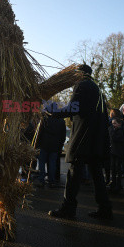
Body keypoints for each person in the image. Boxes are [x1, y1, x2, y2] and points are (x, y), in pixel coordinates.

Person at [48, 64, 112, 220]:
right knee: (97, 174)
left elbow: (73, 108)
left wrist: (53, 112)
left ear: (80, 74)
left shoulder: (82, 85)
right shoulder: (97, 88)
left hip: (84, 137)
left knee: (74, 172)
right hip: (96, 139)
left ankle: (68, 208)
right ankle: (105, 208)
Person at [34, 114, 66, 188]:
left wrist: (37, 144)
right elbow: (63, 135)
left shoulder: (45, 120)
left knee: (41, 162)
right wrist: (60, 145)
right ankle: (51, 180)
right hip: (55, 145)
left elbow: (39, 133)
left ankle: (41, 179)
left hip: (44, 144)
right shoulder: (61, 121)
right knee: (52, 163)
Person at [108, 117, 124, 193]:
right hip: (112, 151)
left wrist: (113, 132)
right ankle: (113, 182)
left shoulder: (121, 131)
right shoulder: (111, 129)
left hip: (118, 151)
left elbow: (115, 138)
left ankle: (118, 184)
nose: (113, 125)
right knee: (113, 168)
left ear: (119, 124)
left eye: (115, 123)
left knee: (118, 168)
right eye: (112, 123)